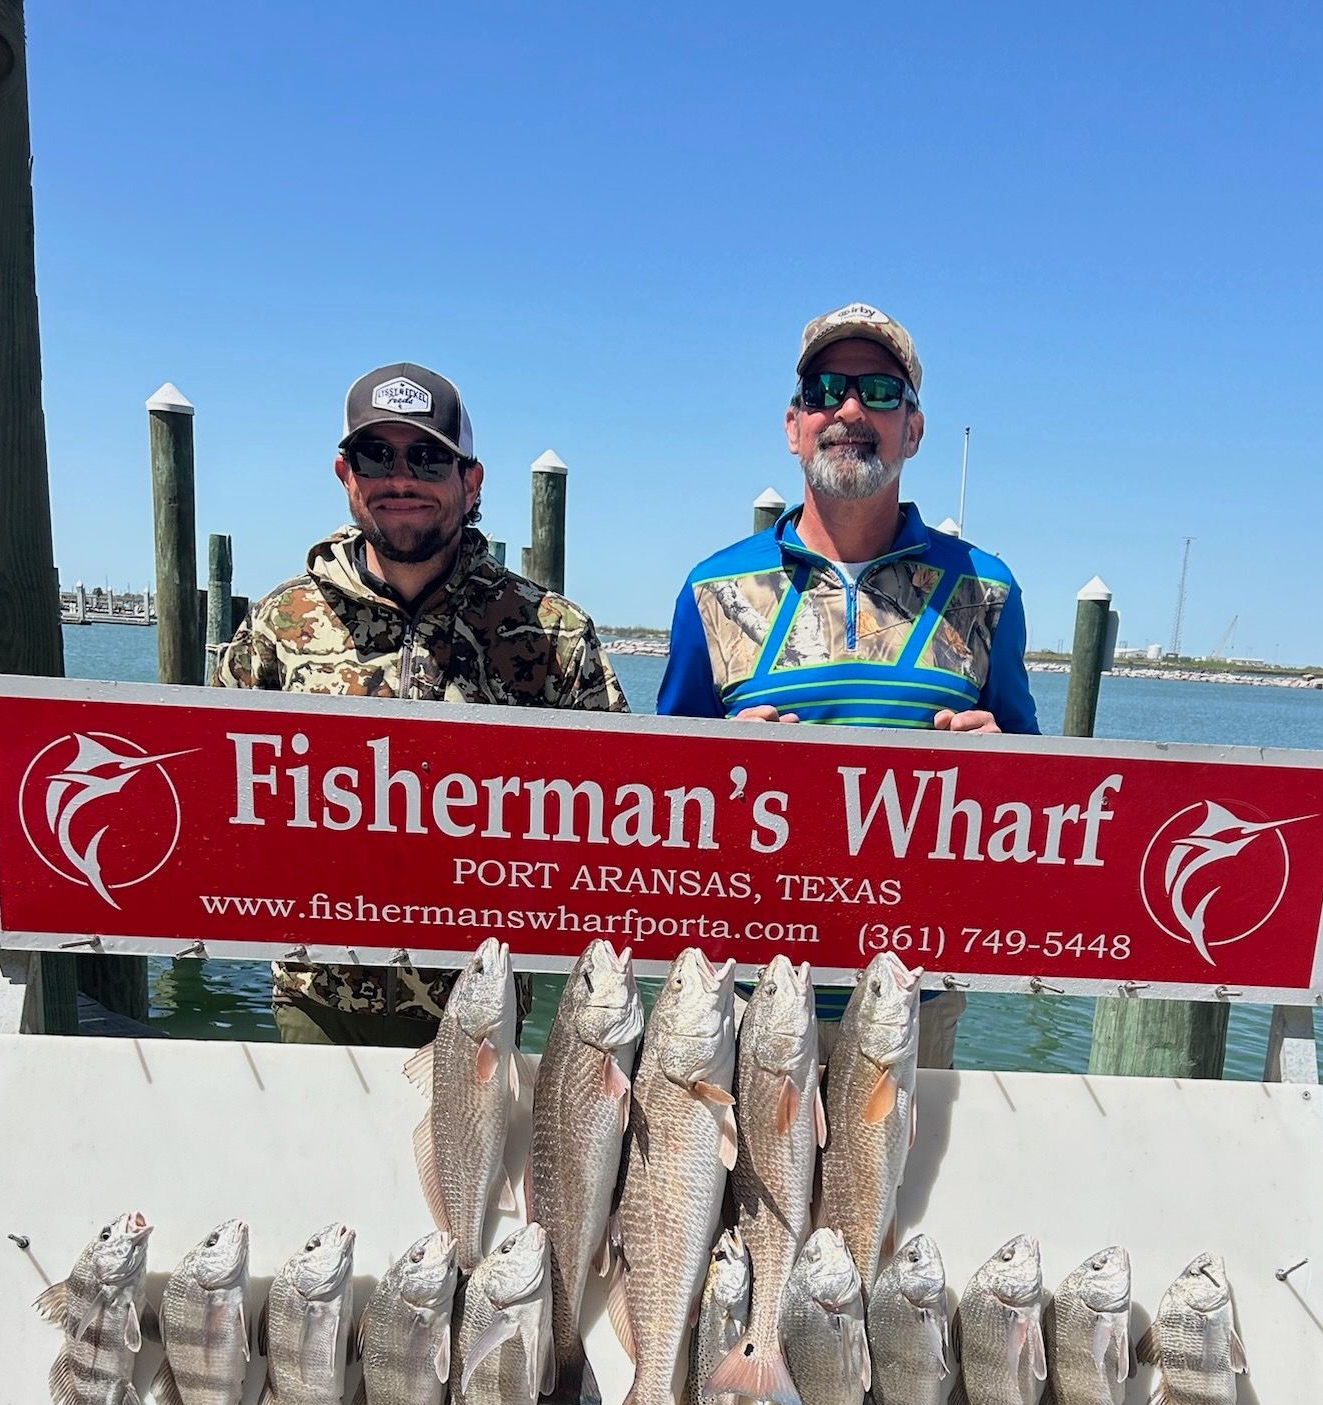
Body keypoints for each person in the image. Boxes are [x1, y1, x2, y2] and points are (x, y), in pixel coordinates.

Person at [656, 304, 1039, 1064]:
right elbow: (660, 805)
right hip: (746, 1002)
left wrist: (1006, 767)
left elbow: (1038, 807)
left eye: (881, 392)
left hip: (910, 1004)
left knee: (899, 1188)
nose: (852, 409)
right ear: (795, 424)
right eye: (828, 388)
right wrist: (714, 766)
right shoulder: (710, 588)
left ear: (916, 429)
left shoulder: (987, 591)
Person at [214, 362, 625, 1046]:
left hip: (479, 1008)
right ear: (346, 474)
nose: (401, 477)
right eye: (378, 454)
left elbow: (628, 821)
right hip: (317, 1000)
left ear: (472, 480)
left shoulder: (554, 634)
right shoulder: (277, 623)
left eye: (429, 457)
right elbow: (211, 798)